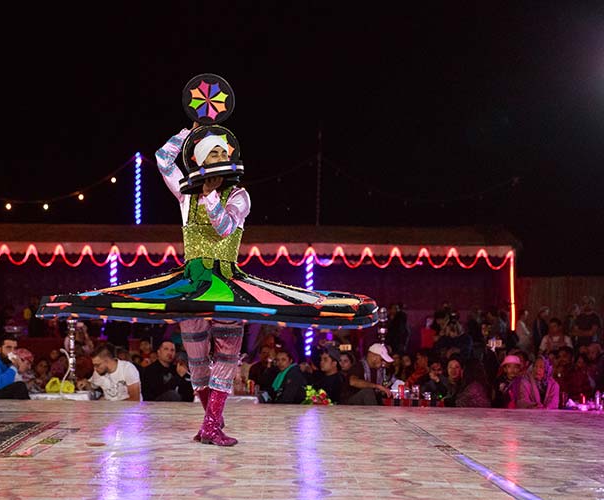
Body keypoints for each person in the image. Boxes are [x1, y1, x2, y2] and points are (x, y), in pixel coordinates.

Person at [35, 105, 377, 447]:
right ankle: (211, 420)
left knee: (226, 358)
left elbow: (225, 227)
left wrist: (212, 194)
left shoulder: (240, 196)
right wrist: (192, 130)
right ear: (198, 160)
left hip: (228, 286)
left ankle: (212, 424)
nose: (217, 156)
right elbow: (163, 159)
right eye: (209, 151)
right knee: (198, 364)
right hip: (192, 286)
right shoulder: (185, 194)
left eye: (220, 150)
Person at [76, 343, 141, 401]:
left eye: (97, 365)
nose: (95, 368)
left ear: (107, 361)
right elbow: (92, 386)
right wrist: (86, 384)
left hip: (128, 411)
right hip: (107, 410)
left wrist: (110, 406)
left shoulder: (127, 368)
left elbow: (134, 399)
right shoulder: (98, 372)